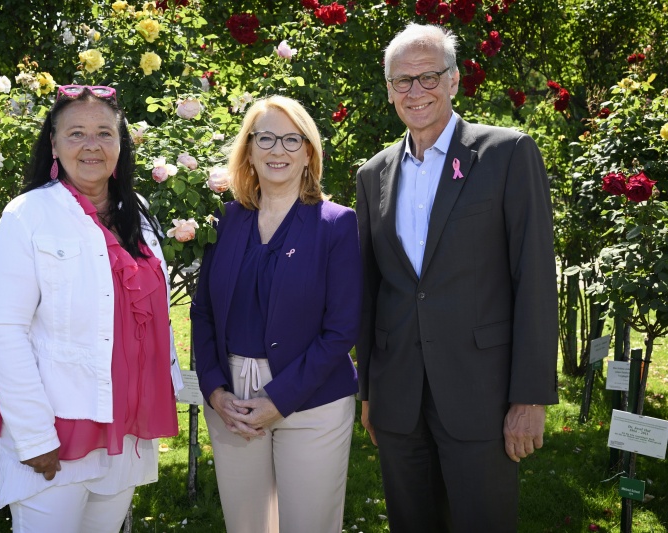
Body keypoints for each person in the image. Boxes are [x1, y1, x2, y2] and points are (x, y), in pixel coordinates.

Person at [356, 23, 559, 532]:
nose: (416, 91)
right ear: (388, 90)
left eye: (429, 77)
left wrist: (529, 398)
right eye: (403, 81)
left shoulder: (507, 154)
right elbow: (371, 288)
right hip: (398, 396)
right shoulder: (372, 174)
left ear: (454, 80)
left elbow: (534, 279)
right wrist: (368, 392)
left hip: (482, 396)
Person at [0, 85, 183, 533]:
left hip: (124, 428)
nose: (91, 145)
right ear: (54, 143)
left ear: (120, 144)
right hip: (58, 429)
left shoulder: (137, 215)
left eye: (104, 133)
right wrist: (33, 436)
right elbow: (5, 329)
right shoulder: (28, 214)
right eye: (76, 133)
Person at [191, 95, 362, 533]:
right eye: (265, 138)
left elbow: (342, 329)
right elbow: (203, 312)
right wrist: (213, 390)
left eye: (291, 139)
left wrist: (278, 399)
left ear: (309, 153)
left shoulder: (336, 224)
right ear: (248, 150)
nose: (277, 150)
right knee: (246, 527)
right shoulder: (223, 221)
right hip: (232, 402)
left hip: (313, 400)